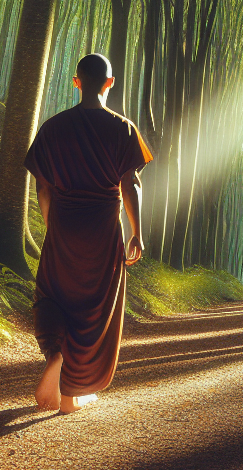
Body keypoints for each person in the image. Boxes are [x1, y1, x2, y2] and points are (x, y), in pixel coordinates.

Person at [26, 53, 152, 413]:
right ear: (110, 83)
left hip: (63, 226)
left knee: (52, 297)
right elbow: (130, 185)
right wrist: (136, 232)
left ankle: (54, 356)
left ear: (76, 81)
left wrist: (53, 227)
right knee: (94, 311)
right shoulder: (123, 128)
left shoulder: (53, 127)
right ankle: (70, 396)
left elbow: (42, 189)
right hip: (103, 231)